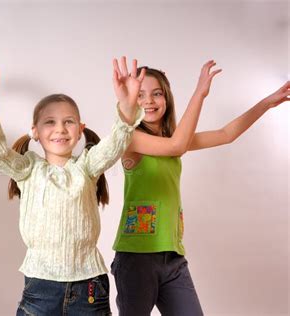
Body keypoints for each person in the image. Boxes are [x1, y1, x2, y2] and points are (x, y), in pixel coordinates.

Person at [0, 51, 145, 315]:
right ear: (35, 132)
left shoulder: (87, 165)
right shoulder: (28, 169)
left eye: (68, 122)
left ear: (80, 129)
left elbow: (115, 144)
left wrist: (128, 110)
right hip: (40, 287)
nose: (60, 129)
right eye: (50, 122)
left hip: (88, 287)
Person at [111, 61, 290, 316]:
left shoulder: (172, 138)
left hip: (172, 257)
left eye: (157, 93)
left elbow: (226, 134)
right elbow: (177, 146)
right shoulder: (131, 139)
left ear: (167, 98)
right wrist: (199, 93)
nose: (149, 100)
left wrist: (266, 103)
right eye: (140, 95)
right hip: (136, 258)